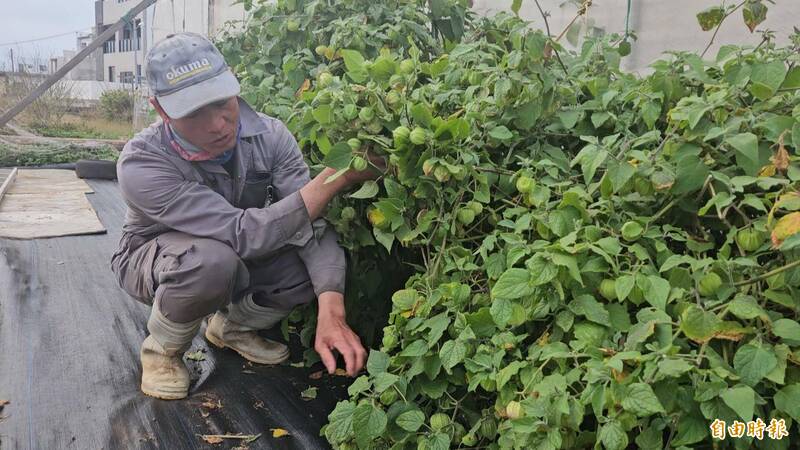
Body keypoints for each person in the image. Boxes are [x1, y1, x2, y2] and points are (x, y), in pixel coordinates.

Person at [111, 32, 376, 400]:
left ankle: (230, 328)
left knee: (305, 269)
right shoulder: (142, 163)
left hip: (236, 252)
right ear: (161, 109)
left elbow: (310, 224)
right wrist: (339, 175)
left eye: (221, 101)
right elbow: (240, 234)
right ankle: (162, 350)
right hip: (156, 260)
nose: (218, 124)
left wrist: (332, 308)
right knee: (211, 261)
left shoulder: (270, 136)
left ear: (233, 81)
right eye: (193, 112)